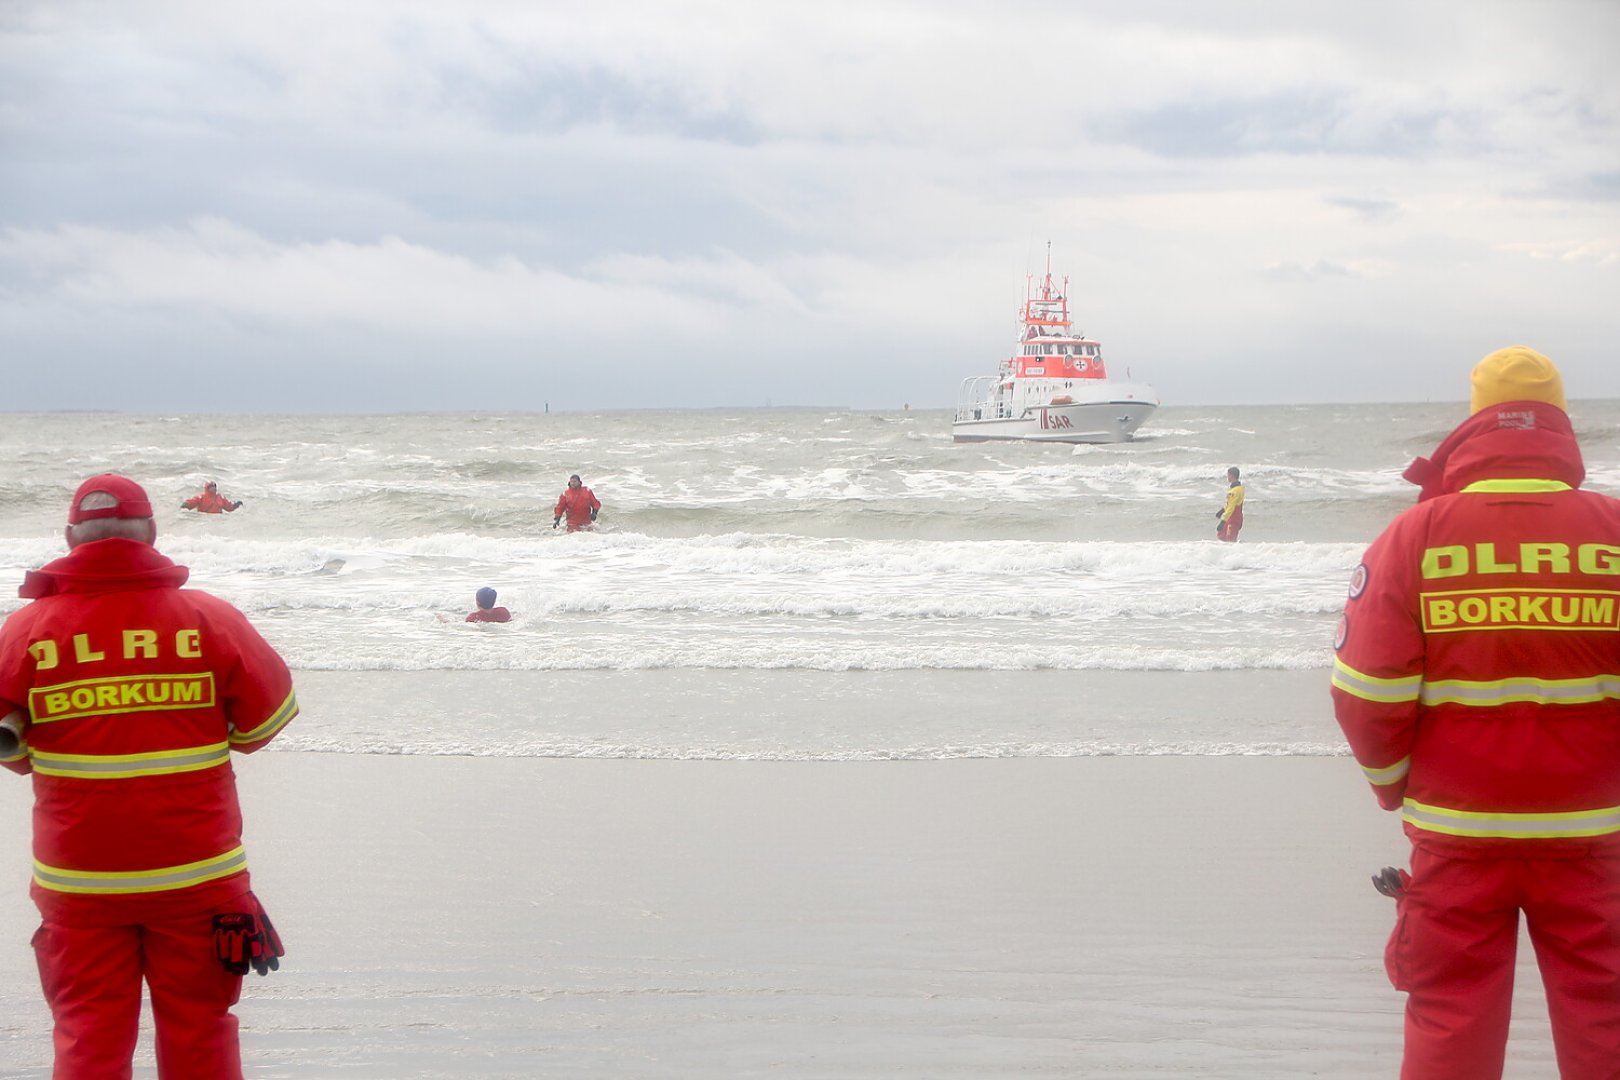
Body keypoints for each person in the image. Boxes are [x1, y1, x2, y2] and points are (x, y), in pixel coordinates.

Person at [1330, 347, 1620, 1080]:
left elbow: (1367, 690)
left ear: (1476, 419)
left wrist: (1394, 784)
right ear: (1559, 421)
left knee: (1450, 1017)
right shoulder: (1613, 529)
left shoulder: (1415, 536)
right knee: (1609, 1017)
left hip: (1459, 835)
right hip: (1595, 837)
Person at [0, 474, 297, 1078]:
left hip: (79, 883)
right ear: (153, 535)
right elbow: (262, 727)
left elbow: (15, 753)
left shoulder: (23, 633)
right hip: (198, 879)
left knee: (87, 1036)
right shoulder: (208, 619)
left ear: (69, 538)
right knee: (200, 1031)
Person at [1215, 467, 1244, 541]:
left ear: (1231, 476)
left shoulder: (1233, 492)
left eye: (1228, 475)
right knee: (1221, 535)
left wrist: (1222, 521)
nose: (1227, 477)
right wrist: (1222, 510)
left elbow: (1231, 507)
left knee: (1230, 540)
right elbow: (1230, 504)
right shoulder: (1240, 488)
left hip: (1233, 519)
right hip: (1233, 518)